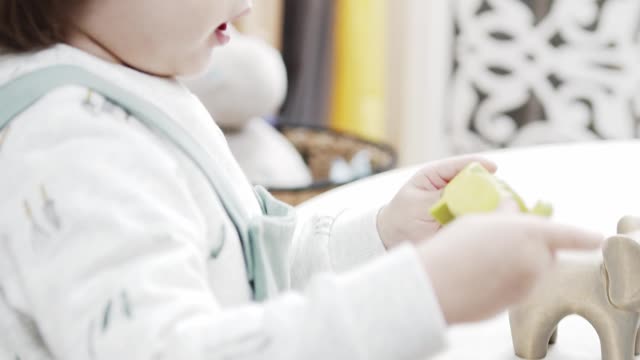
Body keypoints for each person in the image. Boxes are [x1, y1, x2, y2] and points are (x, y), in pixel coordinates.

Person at [0, 1, 602, 359]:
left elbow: (247, 271)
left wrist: (384, 238)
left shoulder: (126, 85)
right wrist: (425, 291)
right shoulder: (78, 152)